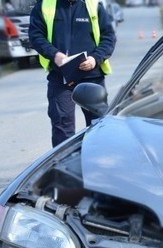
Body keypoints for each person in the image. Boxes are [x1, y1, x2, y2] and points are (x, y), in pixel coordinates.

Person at [29, 0, 116, 147]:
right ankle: (64, 165)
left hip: (91, 77)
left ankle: (100, 162)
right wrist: (55, 55)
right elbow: (36, 35)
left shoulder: (93, 6)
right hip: (61, 76)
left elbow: (108, 38)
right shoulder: (45, 5)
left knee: (98, 124)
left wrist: (95, 58)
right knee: (62, 125)